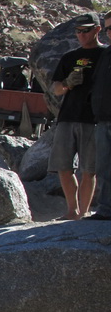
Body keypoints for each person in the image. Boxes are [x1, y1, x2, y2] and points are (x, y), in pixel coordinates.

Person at [49, 13, 103, 219]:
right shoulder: (69, 57)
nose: (81, 35)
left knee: (89, 169)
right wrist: (68, 83)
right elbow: (56, 89)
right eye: (78, 31)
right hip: (67, 117)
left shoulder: (105, 55)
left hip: (93, 119)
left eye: (86, 31)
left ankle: (84, 211)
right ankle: (72, 211)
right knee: (63, 166)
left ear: (97, 30)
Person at [86, 10, 111, 220]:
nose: (110, 32)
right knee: (103, 167)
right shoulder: (106, 54)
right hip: (102, 119)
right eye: (108, 28)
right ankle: (105, 209)